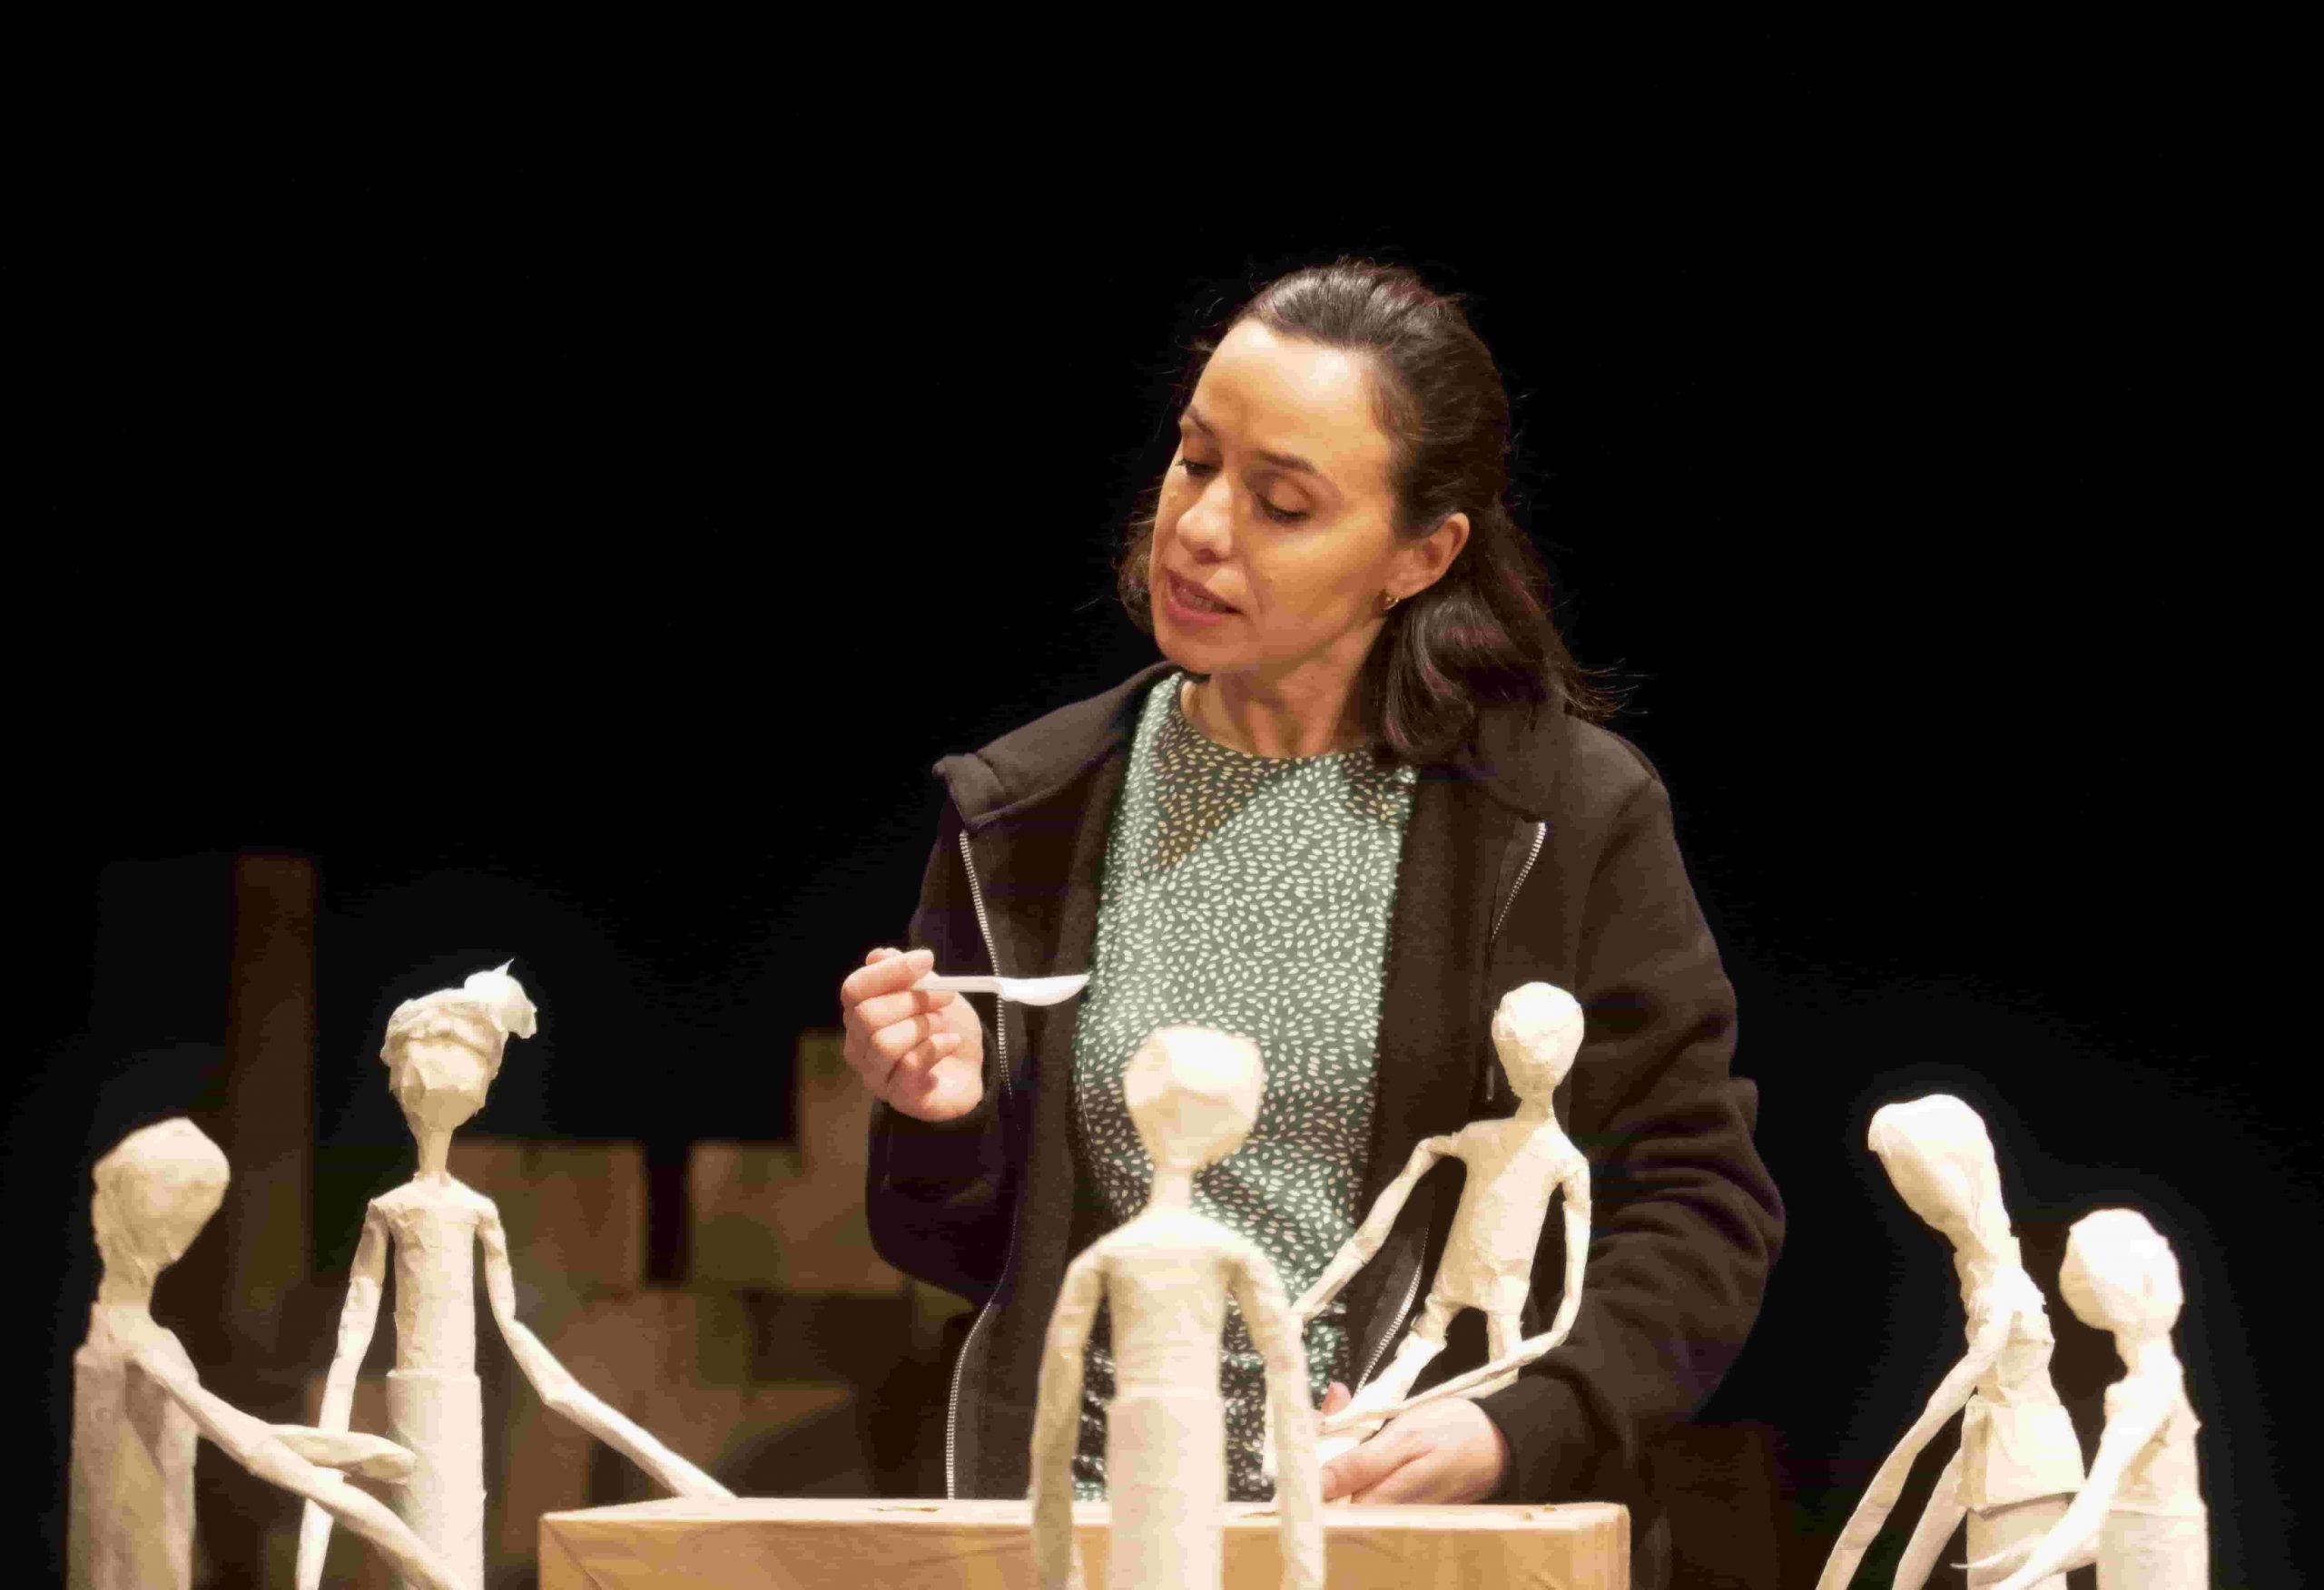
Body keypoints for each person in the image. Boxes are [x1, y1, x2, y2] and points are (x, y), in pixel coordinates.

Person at [839, 259, 1783, 1588]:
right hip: (1097, 1538)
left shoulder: (1556, 817)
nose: (1199, 527)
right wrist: (941, 1121)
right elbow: (959, 1254)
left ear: (1419, 556)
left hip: (1409, 1544)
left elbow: (1699, 1204)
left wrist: (1516, 1428)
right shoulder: (1030, 810)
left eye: (1282, 504)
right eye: (1194, 461)